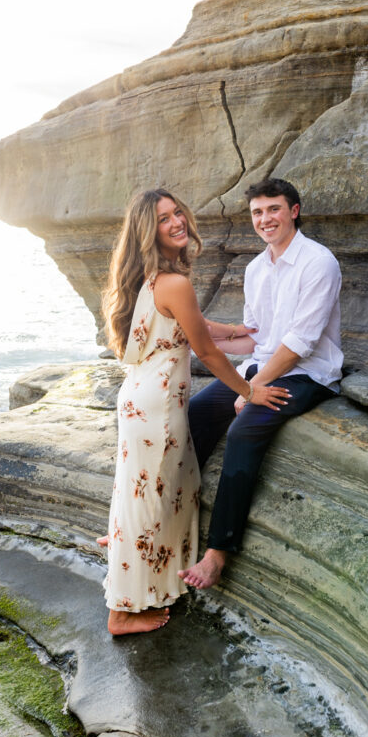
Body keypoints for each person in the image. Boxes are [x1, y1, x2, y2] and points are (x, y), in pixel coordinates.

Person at [100, 187, 291, 636]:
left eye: (177, 213)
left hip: (137, 400)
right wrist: (250, 389)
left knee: (149, 496)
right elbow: (205, 349)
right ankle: (121, 612)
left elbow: (194, 325)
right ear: (150, 232)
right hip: (158, 409)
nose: (176, 222)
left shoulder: (149, 280)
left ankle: (141, 580)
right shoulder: (176, 283)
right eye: (164, 219)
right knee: (153, 502)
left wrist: (236, 329)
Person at [179, 177, 343, 590]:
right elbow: (257, 337)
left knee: (244, 429)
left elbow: (300, 343)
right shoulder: (256, 268)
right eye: (257, 212)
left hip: (309, 374)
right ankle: (175, 514)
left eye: (273, 209)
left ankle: (217, 553)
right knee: (195, 413)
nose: (265, 219)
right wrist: (200, 333)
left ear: (294, 211)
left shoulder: (318, 262)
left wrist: (251, 391)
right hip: (262, 367)